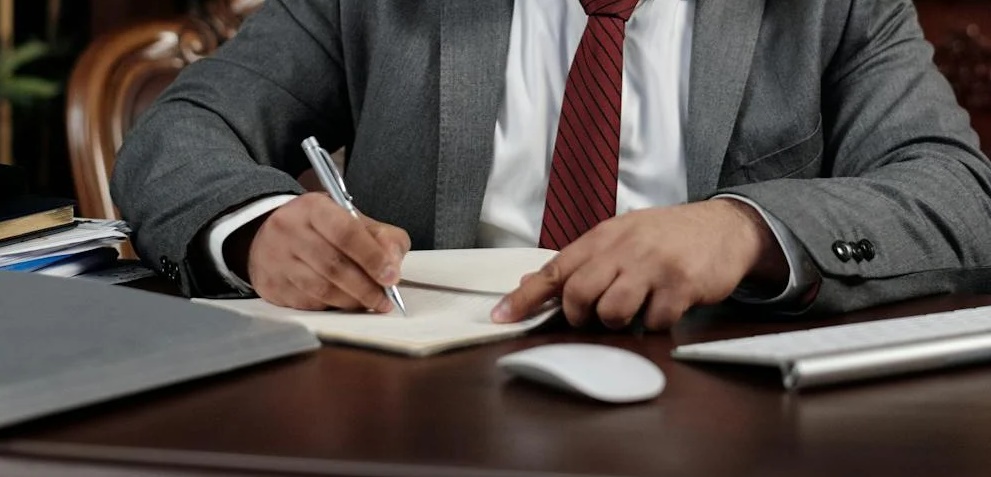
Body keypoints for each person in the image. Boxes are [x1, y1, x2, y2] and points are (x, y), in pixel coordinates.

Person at [111, 0, 991, 332]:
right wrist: (258, 227)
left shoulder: (836, 6)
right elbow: (184, 126)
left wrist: (745, 229)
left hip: (717, 407)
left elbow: (958, 193)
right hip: (419, 406)